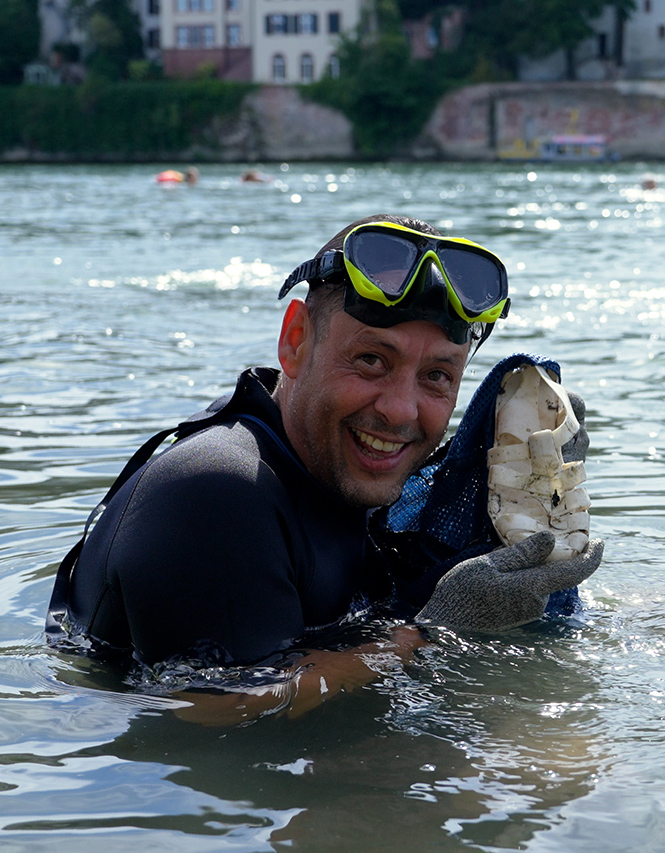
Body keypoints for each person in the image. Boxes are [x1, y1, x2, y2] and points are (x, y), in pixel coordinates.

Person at [46, 214, 604, 722]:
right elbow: (218, 711)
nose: (400, 410)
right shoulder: (216, 489)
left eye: (437, 376)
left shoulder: (343, 481)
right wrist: (434, 635)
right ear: (295, 342)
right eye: (371, 360)